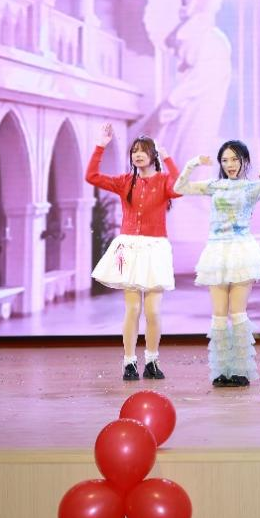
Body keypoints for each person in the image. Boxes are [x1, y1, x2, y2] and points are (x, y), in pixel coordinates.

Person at [174, 141, 260, 387]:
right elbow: (179, 187)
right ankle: (221, 370)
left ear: (244, 161)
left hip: (241, 251)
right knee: (218, 315)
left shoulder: (251, 187)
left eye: (235, 159)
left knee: (237, 313)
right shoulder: (214, 186)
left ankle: (240, 370)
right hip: (216, 252)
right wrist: (193, 164)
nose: (230, 164)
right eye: (225, 160)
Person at [87, 123, 181, 380]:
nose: (138, 155)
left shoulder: (163, 180)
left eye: (143, 151)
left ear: (153, 155)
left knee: (153, 311)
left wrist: (168, 158)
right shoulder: (125, 181)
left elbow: (180, 187)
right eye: (134, 151)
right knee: (132, 310)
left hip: (155, 249)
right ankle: (129, 362)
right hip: (129, 249)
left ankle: (151, 360)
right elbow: (92, 176)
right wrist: (100, 146)